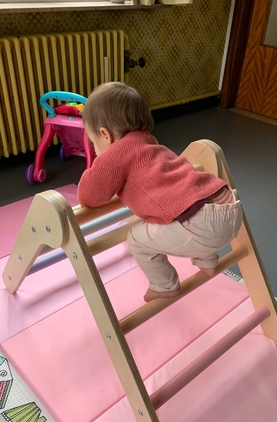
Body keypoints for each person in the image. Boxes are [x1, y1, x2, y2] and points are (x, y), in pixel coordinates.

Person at [77, 82, 243, 302]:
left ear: (105, 135)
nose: (95, 149)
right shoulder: (150, 143)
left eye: (93, 143)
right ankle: (208, 261)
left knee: (136, 239)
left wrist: (97, 164)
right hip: (229, 206)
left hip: (203, 224)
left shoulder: (116, 154)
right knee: (190, 207)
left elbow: (89, 196)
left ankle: (164, 284)